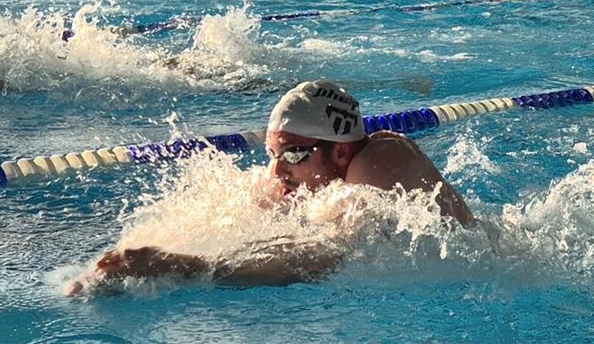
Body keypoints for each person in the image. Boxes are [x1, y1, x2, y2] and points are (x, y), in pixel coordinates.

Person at [68, 80, 473, 293]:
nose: (277, 170)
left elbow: (325, 257)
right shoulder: (294, 178)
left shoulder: (379, 161)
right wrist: (134, 263)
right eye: (272, 153)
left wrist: (186, 266)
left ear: (341, 152)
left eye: (293, 154)